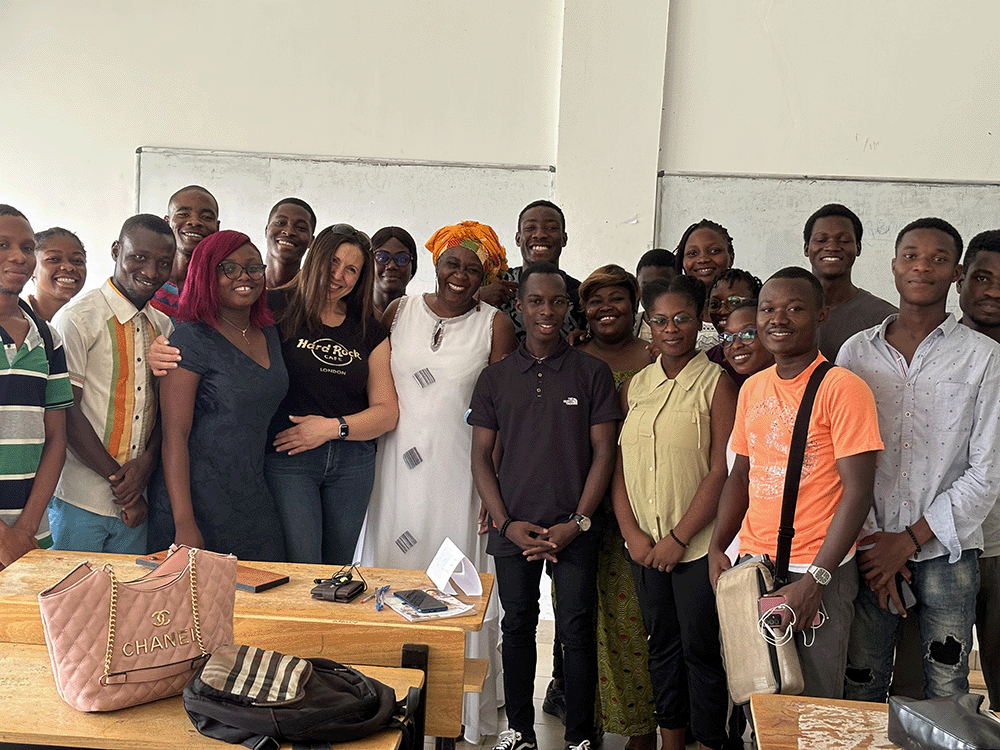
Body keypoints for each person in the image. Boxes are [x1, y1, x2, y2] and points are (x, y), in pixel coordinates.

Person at [360, 220, 515, 744]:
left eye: (473, 269)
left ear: (486, 275)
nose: (460, 275)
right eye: (453, 263)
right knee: (393, 569)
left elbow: (503, 410)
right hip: (395, 469)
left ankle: (454, 709)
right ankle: (385, 700)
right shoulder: (398, 311)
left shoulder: (495, 324)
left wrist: (495, 488)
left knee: (454, 580)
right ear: (436, 263)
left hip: (461, 472)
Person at [838, 218, 1000, 702]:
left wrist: (907, 542)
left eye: (937, 258)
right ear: (892, 266)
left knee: (947, 688)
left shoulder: (985, 357)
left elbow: (987, 470)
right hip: (868, 549)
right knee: (861, 680)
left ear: (955, 274)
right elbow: (840, 457)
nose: (922, 267)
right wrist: (875, 544)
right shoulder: (856, 353)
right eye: (911, 255)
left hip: (950, 552)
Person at [708, 266, 882, 699]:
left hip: (816, 569)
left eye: (794, 308)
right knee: (760, 698)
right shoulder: (753, 388)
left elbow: (858, 492)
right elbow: (742, 473)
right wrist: (718, 545)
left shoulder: (842, 388)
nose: (777, 319)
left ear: (821, 314)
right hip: (754, 566)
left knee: (813, 703)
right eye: (768, 309)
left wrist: (817, 580)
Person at [470, 262, 621, 750]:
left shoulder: (592, 373)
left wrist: (577, 522)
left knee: (576, 628)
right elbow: (481, 458)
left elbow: (605, 454)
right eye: (536, 301)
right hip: (513, 527)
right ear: (520, 306)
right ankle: (519, 730)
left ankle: (579, 735)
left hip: (574, 528)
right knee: (517, 626)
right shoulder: (494, 379)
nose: (547, 311)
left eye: (557, 302)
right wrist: (506, 522)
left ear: (568, 307)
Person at [612, 275, 737, 750]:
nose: (671, 329)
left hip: (695, 548)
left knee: (700, 652)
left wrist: (679, 538)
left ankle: (708, 742)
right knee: (661, 649)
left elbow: (720, 472)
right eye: (660, 320)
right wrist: (633, 536)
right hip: (644, 548)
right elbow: (619, 468)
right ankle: (672, 739)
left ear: (700, 319)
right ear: (647, 324)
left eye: (682, 318)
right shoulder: (636, 387)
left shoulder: (717, 384)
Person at [147, 230, 287, 561]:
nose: (245, 277)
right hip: (195, 501)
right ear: (207, 274)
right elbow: (174, 438)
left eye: (254, 268)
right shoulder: (191, 340)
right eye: (230, 268)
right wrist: (184, 523)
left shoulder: (268, 332)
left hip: (252, 496)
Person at [265, 223, 398, 565]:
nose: (338, 276)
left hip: (352, 464)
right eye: (333, 262)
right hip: (289, 458)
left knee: (339, 573)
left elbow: (386, 412)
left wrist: (328, 428)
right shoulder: (274, 307)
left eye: (351, 269)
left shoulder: (369, 327)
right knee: (301, 566)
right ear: (316, 258)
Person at [48, 215, 175, 553]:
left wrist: (146, 466)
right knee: (72, 603)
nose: (151, 271)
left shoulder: (163, 326)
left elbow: (166, 410)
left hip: (136, 503)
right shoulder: (77, 319)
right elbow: (67, 411)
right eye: (139, 258)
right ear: (117, 250)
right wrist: (121, 482)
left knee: (126, 604)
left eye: (164, 263)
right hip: (80, 499)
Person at [574, 264, 656, 748]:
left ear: (635, 306)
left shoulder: (654, 358)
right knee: (583, 623)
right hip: (578, 511)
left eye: (617, 299)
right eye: (595, 300)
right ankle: (591, 724)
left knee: (634, 625)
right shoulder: (572, 359)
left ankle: (643, 728)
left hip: (639, 512)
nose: (606, 308)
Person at [0, 204, 72, 567]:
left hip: (31, 537)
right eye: (3, 245)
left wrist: (25, 530)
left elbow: (56, 438)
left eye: (27, 248)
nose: (18, 257)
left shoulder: (47, 337)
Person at [957, 229, 1000, 710]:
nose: (993, 290)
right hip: (933, 540)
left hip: (998, 543)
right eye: (982, 277)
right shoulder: (933, 348)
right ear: (960, 278)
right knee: (934, 677)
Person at [478, 200, 587, 340]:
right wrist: (477, 299)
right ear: (518, 239)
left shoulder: (580, 294)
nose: (540, 234)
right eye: (530, 228)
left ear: (564, 239)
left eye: (551, 228)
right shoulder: (494, 284)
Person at [803, 203, 896, 360]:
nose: (832, 247)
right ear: (806, 248)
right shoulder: (780, 313)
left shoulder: (884, 318)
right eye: (821, 240)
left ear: (858, 248)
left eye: (844, 240)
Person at [150, 185, 220, 317]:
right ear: (167, 222)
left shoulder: (222, 288)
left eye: (206, 217)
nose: (194, 222)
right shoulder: (147, 281)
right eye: (183, 214)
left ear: (217, 227)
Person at [672, 220, 735, 350]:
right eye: (692, 253)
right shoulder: (672, 312)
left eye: (714, 251)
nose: (703, 259)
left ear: (731, 257)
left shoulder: (750, 307)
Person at [703, 268, 762, 388]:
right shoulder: (707, 362)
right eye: (714, 304)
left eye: (734, 302)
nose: (722, 310)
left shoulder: (775, 360)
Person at [28, 227, 87, 321]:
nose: (69, 267)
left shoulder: (93, 320)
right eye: (54, 259)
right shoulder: (11, 320)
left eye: (77, 260)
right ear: (31, 267)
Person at [264, 197, 316, 288]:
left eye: (301, 227)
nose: (289, 232)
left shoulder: (314, 292)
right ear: (266, 230)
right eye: (280, 222)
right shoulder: (242, 283)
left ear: (311, 241)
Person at [370, 226, 418, 317]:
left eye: (402, 259)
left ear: (412, 267)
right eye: (382, 257)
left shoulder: (420, 317)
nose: (391, 266)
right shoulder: (350, 315)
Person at [634, 249, 676, 342]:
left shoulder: (690, 327)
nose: (651, 292)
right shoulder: (627, 327)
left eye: (661, 285)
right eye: (645, 285)